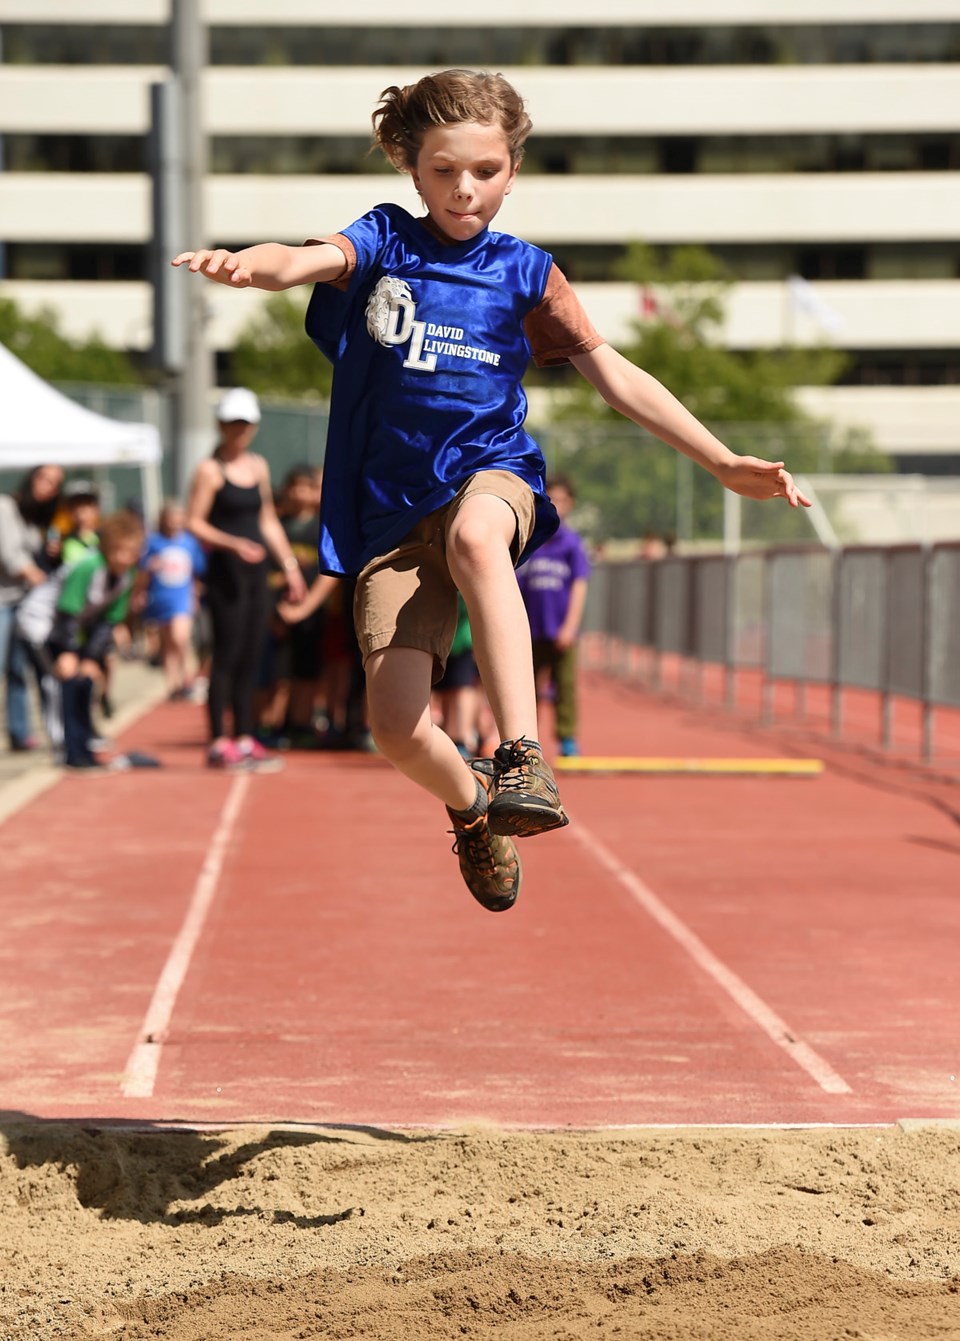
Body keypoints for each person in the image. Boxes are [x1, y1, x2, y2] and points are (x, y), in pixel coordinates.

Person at [173, 69, 810, 911]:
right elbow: (306, 257)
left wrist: (722, 461)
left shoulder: (526, 273)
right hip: (390, 516)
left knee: (480, 539)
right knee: (395, 728)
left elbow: (613, 375)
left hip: (489, 471)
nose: (464, 189)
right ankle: (474, 809)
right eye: (444, 171)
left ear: (512, 169)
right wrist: (252, 268)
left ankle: (521, 755)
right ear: (410, 165)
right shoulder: (386, 241)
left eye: (485, 170)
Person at [185, 387, 307, 770]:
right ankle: (219, 740)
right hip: (226, 577)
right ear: (221, 425)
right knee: (226, 656)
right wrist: (232, 543)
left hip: (256, 576)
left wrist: (288, 565)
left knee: (252, 656)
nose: (240, 430)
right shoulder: (210, 470)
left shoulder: (257, 466)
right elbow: (194, 522)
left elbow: (267, 519)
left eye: (246, 423)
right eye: (233, 423)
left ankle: (244, 735)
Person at [17, 509, 144, 770]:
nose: (125, 558)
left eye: (131, 552)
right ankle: (67, 750)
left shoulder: (125, 577)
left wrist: (90, 658)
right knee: (58, 682)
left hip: (71, 628)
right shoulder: (88, 566)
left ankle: (84, 743)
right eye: (119, 550)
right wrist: (69, 652)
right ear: (107, 547)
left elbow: (107, 622)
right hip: (40, 623)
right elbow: (67, 612)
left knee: (85, 680)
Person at [517, 473, 590, 757]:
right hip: (530, 629)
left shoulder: (571, 544)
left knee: (565, 686)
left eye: (563, 500)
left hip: (560, 630)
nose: (557, 504)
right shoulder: (530, 538)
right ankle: (525, 740)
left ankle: (567, 738)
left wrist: (570, 626)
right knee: (524, 687)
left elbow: (579, 585)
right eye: (552, 499)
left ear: (570, 504)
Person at [0, 464, 63, 751]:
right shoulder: (6, 506)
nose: (48, 486)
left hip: (22, 601)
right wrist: (37, 575)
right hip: (3, 600)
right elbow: (10, 556)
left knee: (18, 669)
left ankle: (19, 732)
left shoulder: (35, 518)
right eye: (44, 478)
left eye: (55, 482)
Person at [139, 498, 207, 700]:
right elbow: (142, 570)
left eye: (179, 518)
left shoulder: (190, 542)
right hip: (160, 597)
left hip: (182, 597)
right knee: (168, 643)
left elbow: (197, 571)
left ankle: (188, 678)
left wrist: (195, 595)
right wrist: (148, 571)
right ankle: (173, 685)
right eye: (172, 518)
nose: (175, 522)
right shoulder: (153, 541)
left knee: (181, 638)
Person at [60, 479, 101, 566]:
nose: (80, 511)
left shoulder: (106, 539)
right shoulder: (63, 542)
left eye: (86, 504)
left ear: (96, 509)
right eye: (75, 505)